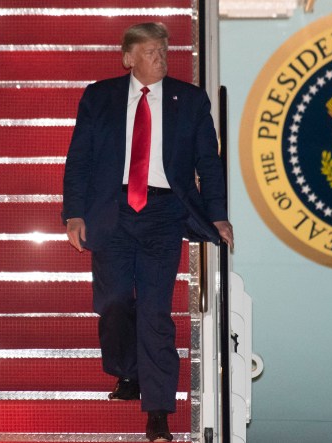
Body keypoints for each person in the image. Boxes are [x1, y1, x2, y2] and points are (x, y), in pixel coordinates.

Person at [62, 22, 233, 442]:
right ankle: (126, 370)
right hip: (111, 210)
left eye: (164, 50)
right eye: (151, 51)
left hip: (164, 212)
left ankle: (158, 411)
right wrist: (73, 214)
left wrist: (219, 215)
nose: (161, 57)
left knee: (155, 312)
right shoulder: (98, 97)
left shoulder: (190, 101)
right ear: (129, 58)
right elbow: (79, 158)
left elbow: (208, 164)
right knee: (116, 300)